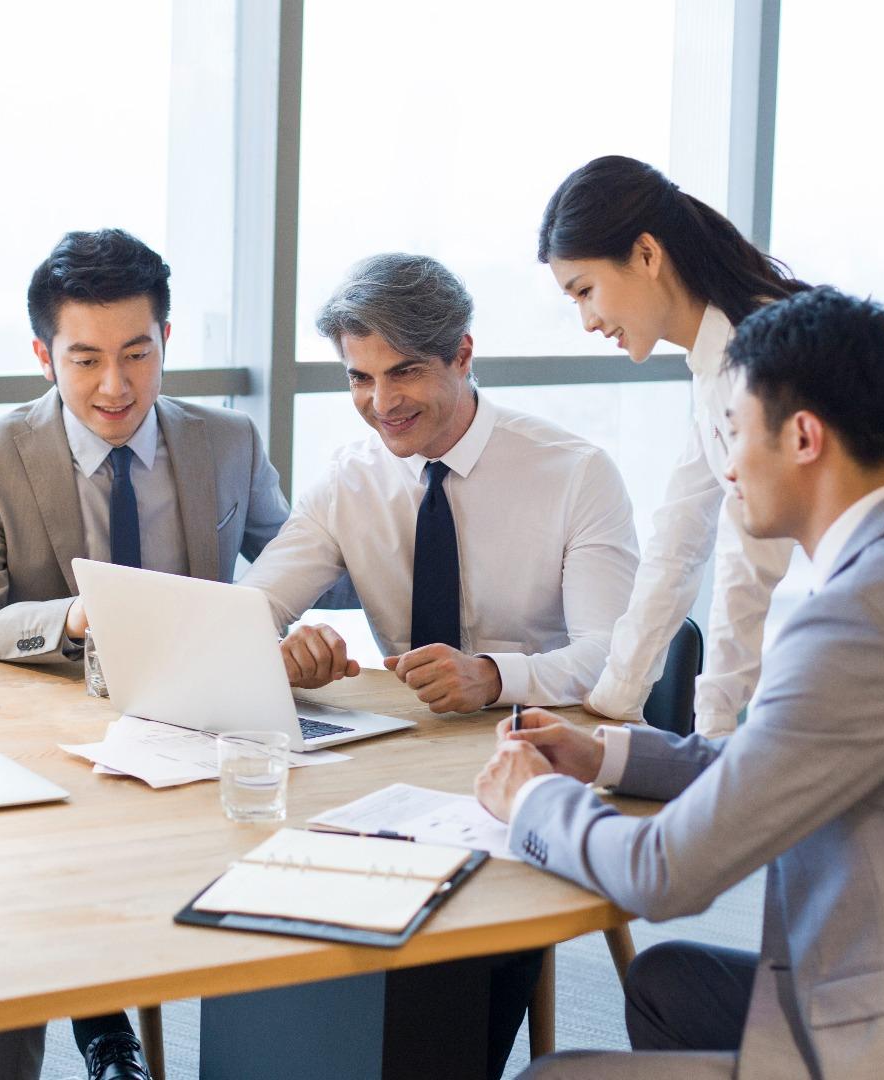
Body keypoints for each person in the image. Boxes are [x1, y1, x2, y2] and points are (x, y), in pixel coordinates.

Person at [479, 288, 884, 1080]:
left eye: (735, 431)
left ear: (804, 437)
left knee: (552, 1078)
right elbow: (779, 762)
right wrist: (603, 754)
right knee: (666, 985)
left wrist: (531, 800)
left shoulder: (862, 619)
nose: (728, 465)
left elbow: (664, 873)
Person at [239, 252, 639, 1079]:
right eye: (359, 377)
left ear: (462, 353)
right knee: (277, 898)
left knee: (452, 952)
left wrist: (495, 676)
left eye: (405, 372)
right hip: (399, 766)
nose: (381, 404)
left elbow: (613, 660)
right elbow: (250, 612)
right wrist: (281, 655)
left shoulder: (575, 475)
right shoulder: (348, 482)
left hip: (534, 760)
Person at [0, 227, 293, 1080]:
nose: (115, 385)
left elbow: (296, 563)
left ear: (168, 340)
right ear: (42, 355)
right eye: (85, 359)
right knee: (36, 862)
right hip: (55, 745)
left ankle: (125, 1034)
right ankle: (86, 1039)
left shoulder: (227, 443)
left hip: (199, 734)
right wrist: (74, 618)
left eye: (137, 353)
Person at [538, 155, 884, 736]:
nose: (587, 321)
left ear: (647, 255)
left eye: (586, 290)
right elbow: (677, 540)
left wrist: (712, 730)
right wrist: (615, 697)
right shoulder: (720, 356)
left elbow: (745, 562)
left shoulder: (756, 359)